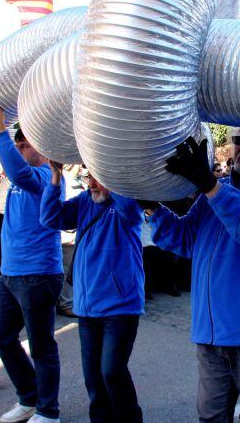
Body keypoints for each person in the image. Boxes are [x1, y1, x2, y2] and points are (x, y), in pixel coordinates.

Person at [145, 128, 240, 423]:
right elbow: (187, 239)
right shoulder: (215, 190)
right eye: (238, 140)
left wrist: (210, 186)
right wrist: (151, 208)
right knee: (211, 418)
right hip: (210, 336)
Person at [0, 98, 65, 423]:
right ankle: (29, 398)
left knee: (42, 346)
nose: (16, 147)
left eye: (22, 142)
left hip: (39, 275)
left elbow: (15, 168)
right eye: (15, 142)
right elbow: (12, 167)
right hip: (10, 276)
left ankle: (48, 411)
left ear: (39, 147)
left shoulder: (45, 177)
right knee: (1, 338)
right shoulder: (19, 178)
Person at [40, 162, 144, 423]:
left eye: (99, 178)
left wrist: (113, 177)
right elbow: (50, 217)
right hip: (87, 309)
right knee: (94, 380)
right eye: (90, 177)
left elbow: (131, 212)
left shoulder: (125, 204)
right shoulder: (85, 202)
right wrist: (55, 178)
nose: (93, 184)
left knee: (112, 372)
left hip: (121, 308)